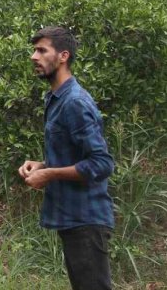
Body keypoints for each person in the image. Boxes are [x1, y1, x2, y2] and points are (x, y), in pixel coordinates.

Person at [18, 26, 115, 290]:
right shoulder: (55, 98)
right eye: (33, 50)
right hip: (72, 218)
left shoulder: (74, 101)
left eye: (41, 50)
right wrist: (42, 165)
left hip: (86, 219)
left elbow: (102, 163)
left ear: (63, 56)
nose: (33, 57)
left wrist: (49, 175)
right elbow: (76, 155)